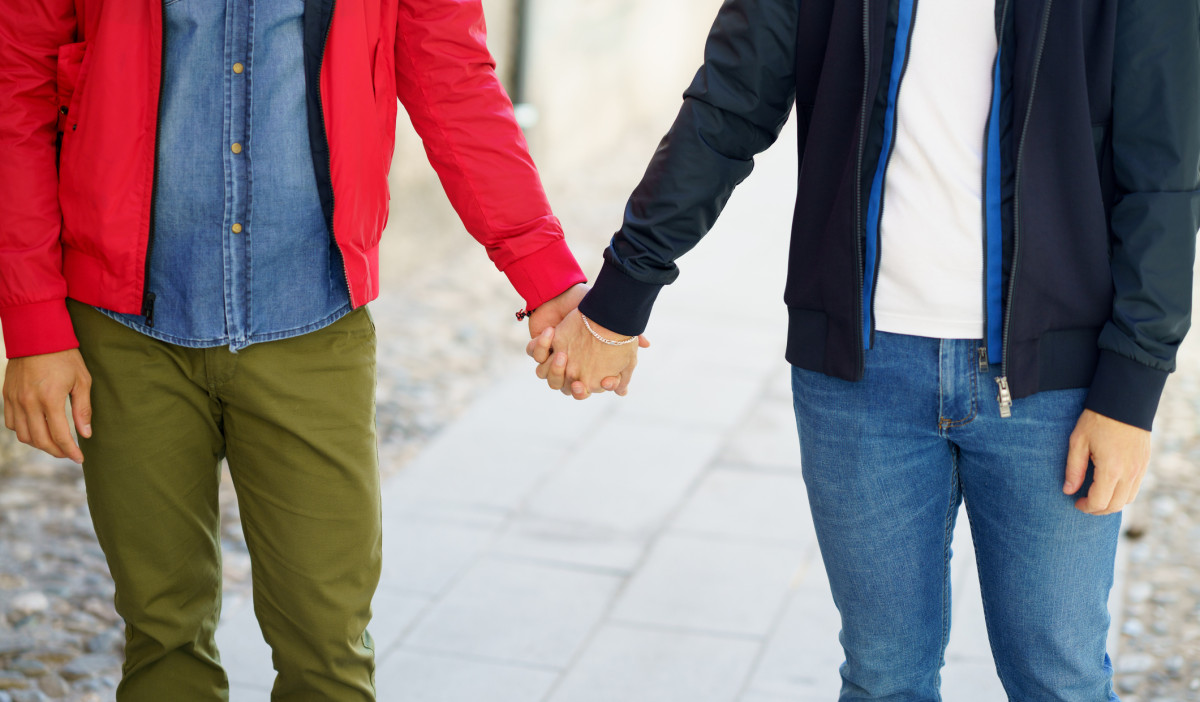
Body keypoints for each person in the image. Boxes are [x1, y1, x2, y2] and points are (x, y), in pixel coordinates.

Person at [529, 0, 1200, 699]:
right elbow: (729, 105)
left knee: (1058, 678)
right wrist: (615, 304)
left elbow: (1164, 170)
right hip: (860, 373)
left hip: (1053, 385)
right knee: (884, 676)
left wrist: (1131, 388)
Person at [0, 1, 596, 699]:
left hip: (312, 320)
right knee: (162, 640)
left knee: (327, 653)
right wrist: (35, 322)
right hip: (127, 327)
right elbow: (18, 81)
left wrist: (545, 273)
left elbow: (453, 80)